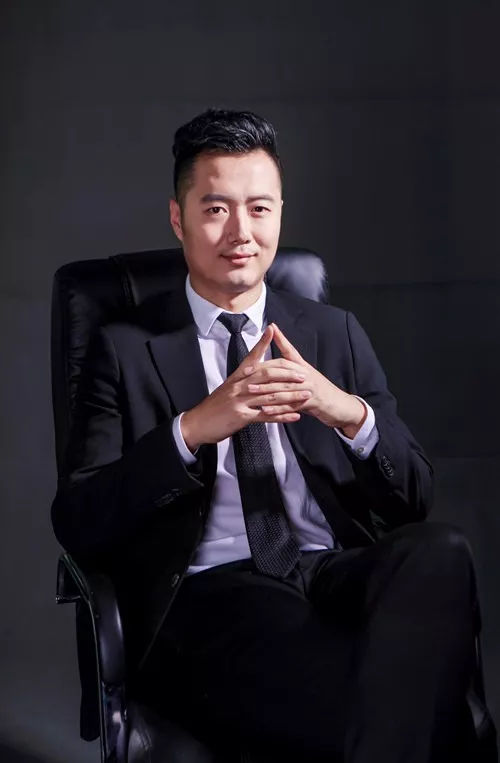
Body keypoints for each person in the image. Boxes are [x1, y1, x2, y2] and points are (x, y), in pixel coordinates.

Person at [52, 108, 482, 762]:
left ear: (280, 213)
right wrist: (193, 428)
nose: (241, 233)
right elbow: (79, 518)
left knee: (441, 552)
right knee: (405, 687)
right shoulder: (126, 348)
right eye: (216, 209)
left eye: (259, 209)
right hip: (213, 587)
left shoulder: (332, 331)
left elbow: (414, 497)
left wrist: (346, 412)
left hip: (327, 567)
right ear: (178, 218)